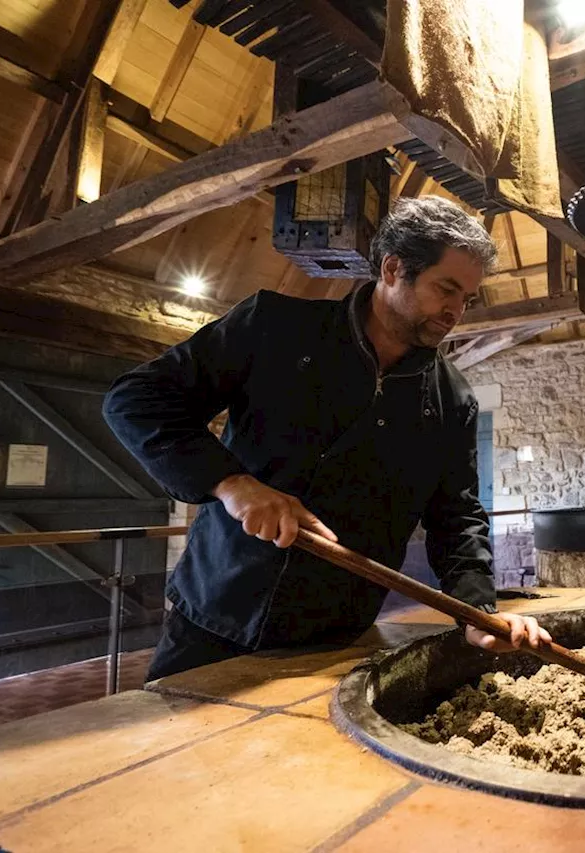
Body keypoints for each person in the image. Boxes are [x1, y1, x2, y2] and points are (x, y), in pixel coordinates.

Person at [104, 196, 550, 681]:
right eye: (447, 289)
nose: (455, 312)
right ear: (394, 268)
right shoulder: (275, 327)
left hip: (335, 640)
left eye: (467, 298)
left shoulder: (452, 398)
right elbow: (136, 400)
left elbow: (457, 517)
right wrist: (233, 485)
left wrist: (475, 612)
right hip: (215, 617)